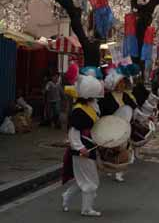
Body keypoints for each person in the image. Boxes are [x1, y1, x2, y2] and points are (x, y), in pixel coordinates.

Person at [61, 75, 104, 217]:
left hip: (90, 146)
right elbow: (73, 131)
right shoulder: (78, 110)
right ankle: (86, 209)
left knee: (85, 179)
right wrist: (80, 148)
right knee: (90, 180)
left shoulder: (90, 106)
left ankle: (66, 196)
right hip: (83, 148)